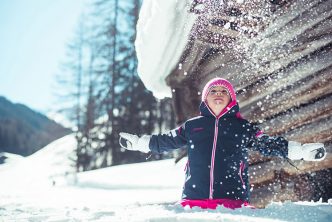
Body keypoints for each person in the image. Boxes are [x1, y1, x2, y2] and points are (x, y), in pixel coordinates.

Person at [119, 77, 326, 210]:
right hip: (194, 199)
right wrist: (139, 143)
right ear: (205, 100)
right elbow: (165, 141)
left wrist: (300, 151)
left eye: (223, 91)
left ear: (231, 100)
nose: (218, 93)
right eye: (213, 91)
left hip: (232, 200)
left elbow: (268, 144)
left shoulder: (242, 127)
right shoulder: (192, 126)